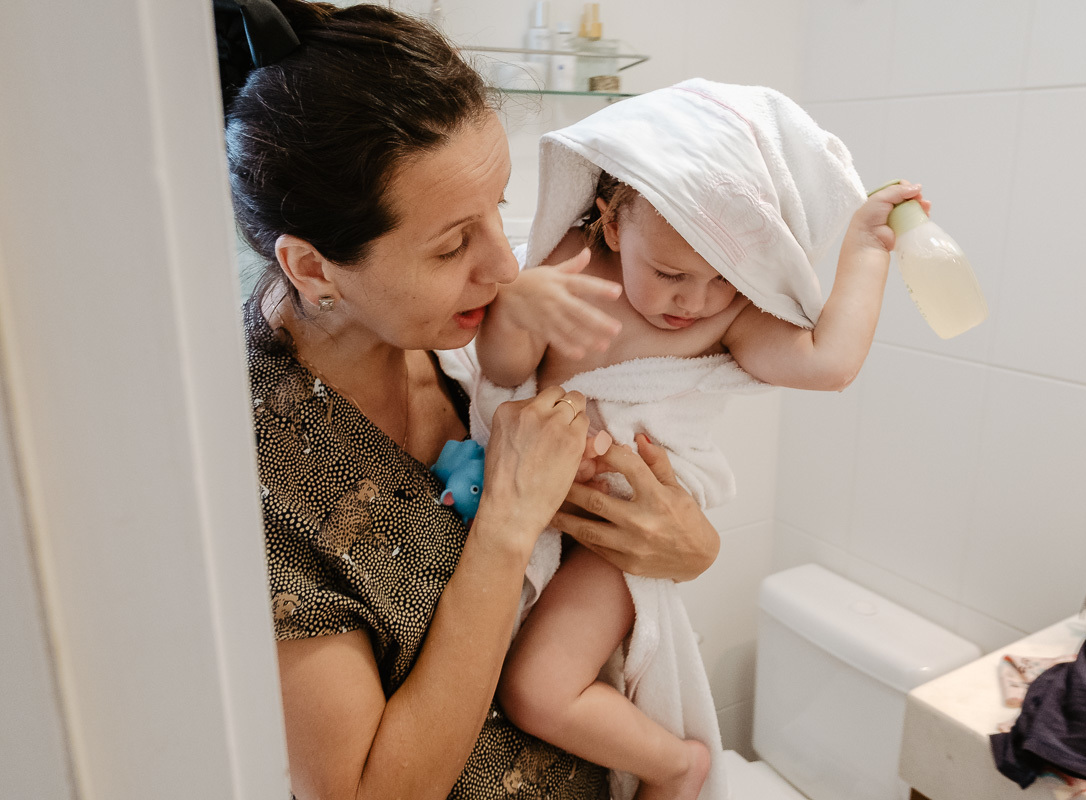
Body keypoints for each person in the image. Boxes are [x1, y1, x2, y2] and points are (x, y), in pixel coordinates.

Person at [216, 2, 721, 798]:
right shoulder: (247, 463)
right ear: (313, 269)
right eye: (453, 244)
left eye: (499, 209)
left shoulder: (465, 334)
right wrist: (508, 524)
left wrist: (687, 545)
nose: (505, 267)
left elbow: (640, 534)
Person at [475, 80, 929, 800]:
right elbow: (501, 372)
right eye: (671, 274)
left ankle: (678, 764)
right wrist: (518, 313)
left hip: (619, 532)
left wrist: (867, 248)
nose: (694, 301)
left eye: (724, 278)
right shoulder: (566, 266)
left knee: (537, 689)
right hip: (530, 504)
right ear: (612, 224)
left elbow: (829, 363)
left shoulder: (732, 317)